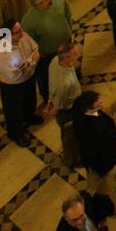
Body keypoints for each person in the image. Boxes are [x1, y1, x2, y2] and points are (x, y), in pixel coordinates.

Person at [21, 0, 73, 103]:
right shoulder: (29, 21)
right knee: (46, 77)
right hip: (48, 55)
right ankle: (48, 96)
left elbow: (68, 14)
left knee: (66, 66)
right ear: (37, 4)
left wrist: (68, 30)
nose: (52, 0)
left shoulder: (58, 0)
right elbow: (28, 43)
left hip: (65, 45)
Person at [0, 17, 40, 147]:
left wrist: (29, 62)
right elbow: (15, 74)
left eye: (20, 29)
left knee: (30, 100)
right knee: (14, 111)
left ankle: (28, 117)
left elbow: (35, 48)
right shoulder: (2, 52)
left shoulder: (23, 36)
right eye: (17, 31)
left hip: (28, 78)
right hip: (13, 86)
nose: (22, 33)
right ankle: (15, 133)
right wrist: (31, 61)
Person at [72, 92, 116, 205]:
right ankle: (113, 208)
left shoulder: (80, 115)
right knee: (107, 189)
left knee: (94, 183)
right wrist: (102, 169)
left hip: (93, 161)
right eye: (97, 101)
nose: (101, 102)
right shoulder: (95, 130)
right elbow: (96, 151)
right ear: (89, 108)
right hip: (102, 164)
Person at [46, 42, 83, 170]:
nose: (77, 56)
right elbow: (58, 106)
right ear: (66, 57)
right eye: (74, 54)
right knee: (70, 137)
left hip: (65, 104)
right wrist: (52, 108)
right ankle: (71, 161)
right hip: (68, 111)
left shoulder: (55, 61)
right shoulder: (64, 84)